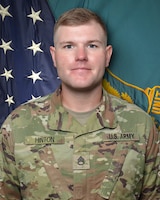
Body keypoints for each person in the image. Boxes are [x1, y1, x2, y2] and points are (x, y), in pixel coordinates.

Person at [0, 8, 160, 200]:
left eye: (92, 45)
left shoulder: (140, 125)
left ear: (107, 55)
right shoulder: (17, 126)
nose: (81, 56)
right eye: (69, 46)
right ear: (54, 56)